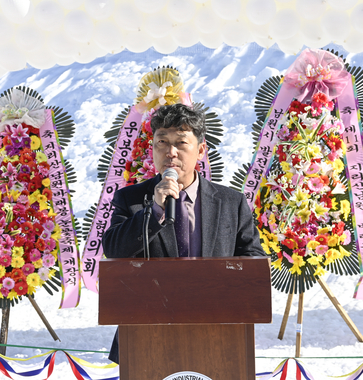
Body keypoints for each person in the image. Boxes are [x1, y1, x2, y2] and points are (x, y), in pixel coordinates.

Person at [102, 103, 265, 363]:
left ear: (200, 150)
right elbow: (114, 250)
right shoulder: (130, 199)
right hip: (147, 335)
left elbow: (253, 260)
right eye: (162, 142)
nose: (171, 152)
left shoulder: (230, 202)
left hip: (216, 334)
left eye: (181, 143)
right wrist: (154, 211)